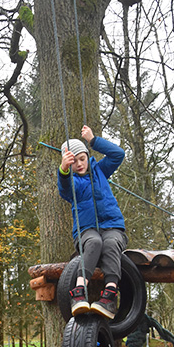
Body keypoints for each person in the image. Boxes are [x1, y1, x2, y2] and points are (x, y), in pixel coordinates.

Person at [57, 125, 128, 319]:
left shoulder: (100, 171)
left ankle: (110, 294)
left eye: (82, 159)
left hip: (112, 226)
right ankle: (79, 291)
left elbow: (118, 154)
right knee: (95, 242)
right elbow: (64, 187)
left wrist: (93, 140)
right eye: (74, 162)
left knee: (111, 243)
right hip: (86, 230)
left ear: (87, 158)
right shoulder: (74, 183)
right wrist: (63, 169)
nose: (79, 164)